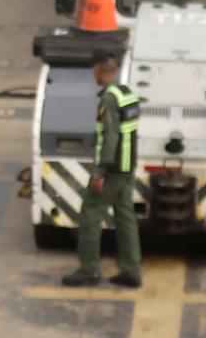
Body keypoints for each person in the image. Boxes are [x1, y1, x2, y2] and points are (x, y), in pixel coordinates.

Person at [64, 49, 143, 288]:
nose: (93, 75)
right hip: (127, 168)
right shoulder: (127, 94)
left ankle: (89, 269)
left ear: (100, 69)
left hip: (113, 170)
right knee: (126, 219)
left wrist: (100, 173)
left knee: (90, 214)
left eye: (93, 70)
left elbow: (109, 139)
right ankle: (131, 271)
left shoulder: (109, 99)